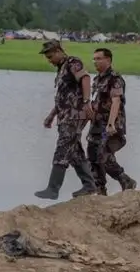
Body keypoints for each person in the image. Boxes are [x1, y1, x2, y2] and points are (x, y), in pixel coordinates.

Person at [34, 40, 98, 200]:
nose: (49, 60)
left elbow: (85, 78)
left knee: (62, 148)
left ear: (58, 51)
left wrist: (86, 102)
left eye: (50, 56)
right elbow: (63, 97)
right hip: (65, 115)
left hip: (74, 115)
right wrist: (51, 115)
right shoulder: (61, 69)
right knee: (75, 151)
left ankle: (53, 189)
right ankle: (90, 185)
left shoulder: (72, 62)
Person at [88, 48, 137, 195]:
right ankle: (100, 189)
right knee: (92, 155)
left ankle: (125, 180)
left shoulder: (115, 78)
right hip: (96, 124)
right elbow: (94, 103)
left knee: (104, 155)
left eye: (98, 58)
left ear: (108, 60)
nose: (95, 61)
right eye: (94, 59)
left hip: (111, 125)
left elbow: (116, 101)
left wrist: (111, 123)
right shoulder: (97, 79)